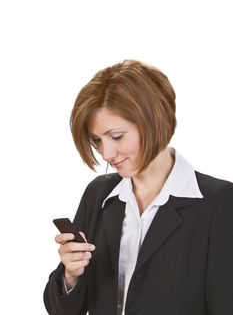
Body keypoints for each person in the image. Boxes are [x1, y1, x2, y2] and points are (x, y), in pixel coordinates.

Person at [43, 60, 233, 315]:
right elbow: (62, 311)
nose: (106, 153)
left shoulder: (219, 203)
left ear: (153, 121)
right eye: (97, 140)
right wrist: (71, 276)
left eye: (117, 136)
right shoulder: (99, 195)